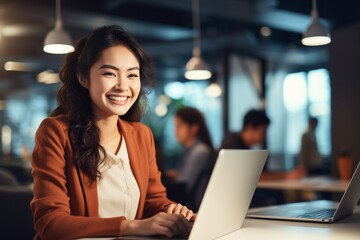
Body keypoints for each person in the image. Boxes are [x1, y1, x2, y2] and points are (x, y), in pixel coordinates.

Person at [30, 25, 194, 240]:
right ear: (83, 77)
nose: (122, 86)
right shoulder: (55, 132)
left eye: (132, 75)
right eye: (109, 73)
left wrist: (173, 211)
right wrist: (132, 227)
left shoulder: (141, 135)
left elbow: (153, 201)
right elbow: (51, 223)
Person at [220, 109, 305, 206]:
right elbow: (253, 176)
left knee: (277, 195)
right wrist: (286, 175)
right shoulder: (232, 145)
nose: (264, 136)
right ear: (250, 127)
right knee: (274, 198)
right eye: (263, 132)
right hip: (231, 197)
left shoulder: (243, 145)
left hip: (238, 194)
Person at [166, 107, 215, 210]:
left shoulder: (199, 151)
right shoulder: (190, 149)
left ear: (193, 128)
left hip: (194, 209)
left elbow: (184, 185)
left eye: (179, 126)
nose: (175, 131)